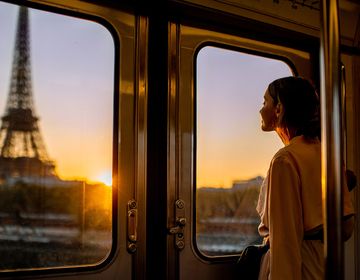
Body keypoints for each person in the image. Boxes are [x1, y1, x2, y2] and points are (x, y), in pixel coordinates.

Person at [256, 76, 354, 279]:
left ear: (279, 108)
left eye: (265, 102)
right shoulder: (328, 154)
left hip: (300, 268)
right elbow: (346, 228)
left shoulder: (285, 160)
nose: (260, 109)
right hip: (323, 263)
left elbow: (285, 243)